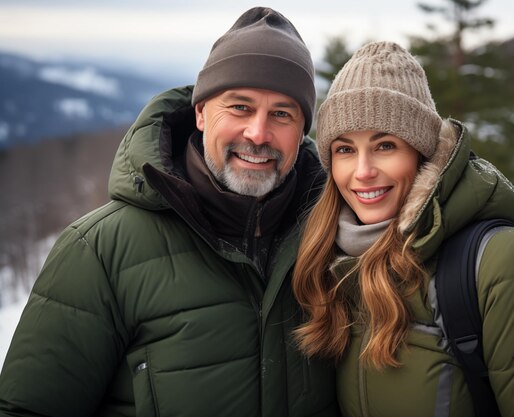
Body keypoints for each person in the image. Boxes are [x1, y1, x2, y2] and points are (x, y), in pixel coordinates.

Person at [0, 7, 340, 417]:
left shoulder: (334, 237)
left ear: (302, 129)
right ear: (200, 113)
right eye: (239, 107)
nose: (258, 133)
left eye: (282, 114)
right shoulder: (101, 251)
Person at [292, 41, 514, 417]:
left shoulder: (504, 265)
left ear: (421, 151)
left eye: (385, 145)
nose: (363, 171)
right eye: (345, 150)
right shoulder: (331, 266)